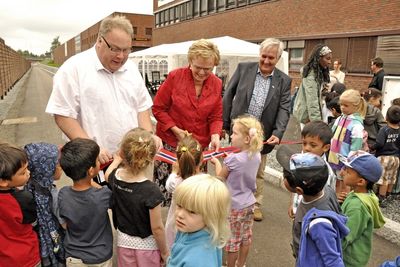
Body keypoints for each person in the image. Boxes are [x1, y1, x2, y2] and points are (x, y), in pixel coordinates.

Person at [45, 15, 159, 168]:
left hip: (132, 159)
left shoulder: (131, 68)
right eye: (115, 49)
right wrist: (93, 149)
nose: (121, 56)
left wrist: (148, 136)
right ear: (99, 40)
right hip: (95, 162)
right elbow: (63, 115)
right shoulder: (73, 69)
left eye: (126, 50)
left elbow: (141, 107)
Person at [223, 37, 292, 221]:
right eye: (264, 56)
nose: (267, 61)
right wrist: (224, 125)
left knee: (257, 170)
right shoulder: (244, 69)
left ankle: (255, 204)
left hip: (262, 135)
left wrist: (278, 133)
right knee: (233, 166)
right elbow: (228, 95)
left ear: (278, 59)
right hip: (239, 131)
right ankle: (230, 200)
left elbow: (285, 108)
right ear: (259, 54)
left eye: (271, 58)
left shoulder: (284, 80)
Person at [152, 38, 223, 204]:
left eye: (208, 69)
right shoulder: (175, 77)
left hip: (197, 149)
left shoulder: (217, 83)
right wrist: (175, 130)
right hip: (171, 145)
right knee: (168, 194)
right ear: (190, 61)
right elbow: (158, 108)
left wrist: (215, 135)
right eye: (198, 67)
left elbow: (216, 116)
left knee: (194, 196)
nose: (202, 73)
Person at [104, 128, 169, 266]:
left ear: (122, 153)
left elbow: (107, 174)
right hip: (147, 248)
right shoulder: (151, 191)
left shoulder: (116, 177)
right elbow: (157, 228)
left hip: (124, 244)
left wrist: (116, 160)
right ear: (152, 158)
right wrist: (164, 252)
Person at [211, 115, 263, 267]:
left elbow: (220, 178)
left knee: (232, 241)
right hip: (249, 203)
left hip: (233, 206)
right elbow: (242, 163)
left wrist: (216, 162)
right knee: (246, 237)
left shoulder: (233, 160)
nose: (231, 136)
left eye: (234, 133)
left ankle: (230, 265)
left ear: (246, 139)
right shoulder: (256, 155)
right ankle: (241, 264)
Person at [277, 152, 342, 260]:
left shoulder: (318, 222)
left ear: (299, 190)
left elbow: (333, 259)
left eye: (285, 176)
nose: (283, 177)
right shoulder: (326, 190)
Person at [59, 138, 113, 266]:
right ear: (90, 170)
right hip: (100, 256)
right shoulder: (103, 195)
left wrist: (89, 181)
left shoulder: (63, 194)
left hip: (74, 256)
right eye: (97, 161)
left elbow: (64, 223)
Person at [167, 174, 231, 267]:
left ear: (211, 216)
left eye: (192, 211)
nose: (180, 215)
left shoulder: (198, 261)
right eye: (179, 205)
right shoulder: (189, 229)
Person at [339, 150, 385, 267]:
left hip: (347, 260)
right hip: (357, 257)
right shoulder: (366, 195)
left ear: (360, 181)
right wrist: (343, 203)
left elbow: (345, 236)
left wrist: (327, 251)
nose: (342, 172)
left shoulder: (357, 206)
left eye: (347, 171)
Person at [24, 143, 66, 266]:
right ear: (47, 169)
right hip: (54, 241)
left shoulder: (27, 188)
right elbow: (64, 224)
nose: (61, 167)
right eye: (57, 163)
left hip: (37, 246)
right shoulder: (53, 194)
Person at [0, 142, 40, 267]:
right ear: (3, 181)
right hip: (26, 257)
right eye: (23, 172)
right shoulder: (23, 199)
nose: (28, 173)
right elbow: (33, 222)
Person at [285, 120, 335, 219]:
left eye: (313, 145)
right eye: (304, 143)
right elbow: (295, 184)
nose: (307, 148)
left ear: (326, 147)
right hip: (299, 211)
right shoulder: (300, 160)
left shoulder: (326, 173)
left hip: (314, 217)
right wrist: (293, 204)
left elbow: (325, 199)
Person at [165, 135, 203, 249]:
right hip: (195, 227)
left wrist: (173, 172)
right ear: (202, 159)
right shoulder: (204, 182)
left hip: (175, 224)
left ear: (177, 160)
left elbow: (168, 186)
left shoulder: (174, 181)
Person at [328, 89, 367, 195]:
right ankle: (336, 202)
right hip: (335, 157)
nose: (342, 108)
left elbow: (356, 148)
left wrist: (349, 163)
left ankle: (344, 205)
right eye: (341, 105)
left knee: (346, 185)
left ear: (356, 106)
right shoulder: (340, 118)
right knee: (337, 181)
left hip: (346, 161)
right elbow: (331, 134)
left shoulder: (356, 125)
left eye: (346, 105)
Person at [293, 44, 332, 127]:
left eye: (330, 59)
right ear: (319, 58)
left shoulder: (318, 72)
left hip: (311, 115)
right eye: (327, 58)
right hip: (308, 117)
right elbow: (312, 100)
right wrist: (317, 124)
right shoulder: (311, 75)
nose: (329, 62)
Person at [371, 105, 400, 205]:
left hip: (384, 157)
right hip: (396, 158)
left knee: (384, 179)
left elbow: (379, 143)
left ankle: (381, 198)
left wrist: (372, 147)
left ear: (386, 117)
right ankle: (388, 194)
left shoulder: (384, 130)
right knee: (391, 176)